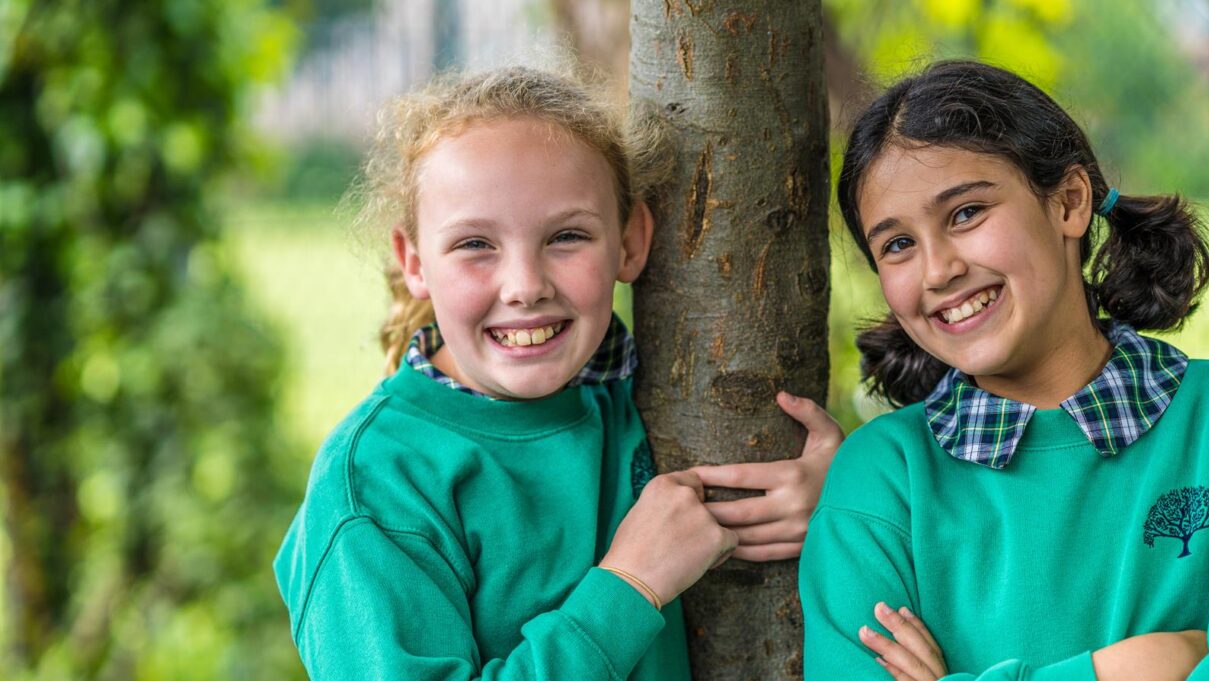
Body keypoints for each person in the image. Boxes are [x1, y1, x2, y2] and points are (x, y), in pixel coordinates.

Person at [274, 65, 840, 680]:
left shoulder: (642, 394)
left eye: (567, 236)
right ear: (414, 261)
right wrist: (630, 585)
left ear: (629, 242)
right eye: (474, 245)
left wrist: (837, 496)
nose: (525, 286)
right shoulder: (376, 485)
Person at [800, 60, 1209, 680]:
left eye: (966, 213)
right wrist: (1123, 670)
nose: (937, 270)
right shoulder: (879, 481)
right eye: (897, 244)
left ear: (1069, 202)